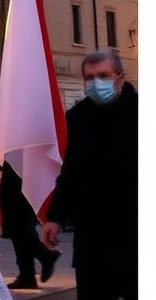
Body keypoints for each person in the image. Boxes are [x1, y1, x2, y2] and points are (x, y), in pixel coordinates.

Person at [41, 49, 138, 299]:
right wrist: (55, 217)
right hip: (93, 239)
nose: (97, 83)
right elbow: (70, 174)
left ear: (120, 77)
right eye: (90, 77)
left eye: (104, 75)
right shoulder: (77, 117)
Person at [0, 102, 61, 289]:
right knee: (17, 226)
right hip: (18, 167)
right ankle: (27, 273)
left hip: (19, 170)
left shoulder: (16, 109)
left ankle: (43, 257)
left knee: (17, 224)